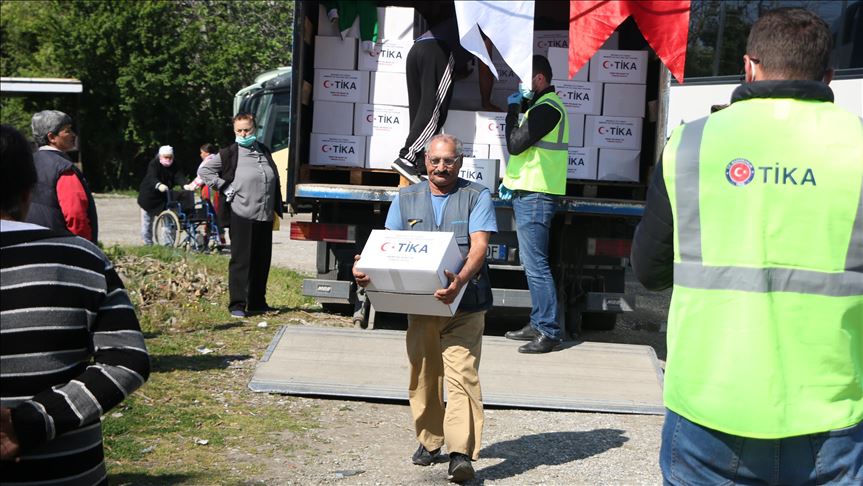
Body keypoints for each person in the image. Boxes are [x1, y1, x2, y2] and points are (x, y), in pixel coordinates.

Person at [631, 8, 863, 483]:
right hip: (831, 411)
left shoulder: (690, 145)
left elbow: (650, 270)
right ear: (830, 76)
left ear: (748, 66)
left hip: (708, 406)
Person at [0, 124, 151, 484]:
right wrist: (31, 422)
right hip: (67, 473)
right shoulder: (83, 260)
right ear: (27, 192)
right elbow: (128, 360)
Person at [353, 134, 496, 483]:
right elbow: (388, 247)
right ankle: (431, 441)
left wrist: (459, 281)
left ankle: (460, 454)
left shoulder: (477, 196)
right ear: (425, 163)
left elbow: (479, 247)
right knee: (425, 375)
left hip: (466, 304)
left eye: (449, 161)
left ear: (459, 162)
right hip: (421, 306)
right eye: (435, 161)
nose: (441, 168)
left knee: (462, 376)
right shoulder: (405, 198)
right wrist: (365, 268)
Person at [499, 55, 569, 354]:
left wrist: (514, 108)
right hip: (528, 191)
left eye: (525, 79)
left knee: (536, 265)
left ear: (539, 79)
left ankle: (549, 330)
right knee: (531, 265)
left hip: (537, 193)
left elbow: (515, 144)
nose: (521, 85)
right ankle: (538, 321)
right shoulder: (542, 107)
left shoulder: (547, 108)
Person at [390, 3, 499, 183]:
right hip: (437, 52)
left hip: (417, 50)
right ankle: (406, 157)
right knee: (435, 110)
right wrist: (486, 101)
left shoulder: (465, 19)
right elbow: (485, 67)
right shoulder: (486, 26)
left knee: (420, 110)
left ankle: (420, 164)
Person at [198, 113, 283, 318]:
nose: (244, 133)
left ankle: (257, 302)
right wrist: (224, 187)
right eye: (240, 130)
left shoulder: (263, 150)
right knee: (241, 260)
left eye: (247, 130)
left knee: (261, 260)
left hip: (264, 214)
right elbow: (205, 171)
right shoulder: (229, 153)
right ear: (235, 131)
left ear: (255, 129)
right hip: (241, 213)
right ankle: (237, 304)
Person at [25, 110, 99, 242]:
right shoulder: (64, 169)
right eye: (67, 131)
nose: (73, 135)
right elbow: (75, 216)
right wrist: (85, 246)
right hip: (59, 246)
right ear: (52, 137)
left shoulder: (27, 162)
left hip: (29, 241)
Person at [137, 145, 186, 245]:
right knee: (147, 223)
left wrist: (185, 185)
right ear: (160, 156)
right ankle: (147, 244)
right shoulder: (154, 164)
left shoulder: (175, 165)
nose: (168, 159)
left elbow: (179, 176)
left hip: (164, 197)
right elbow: (152, 177)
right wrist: (158, 184)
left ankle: (168, 244)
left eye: (170, 157)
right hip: (149, 197)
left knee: (168, 221)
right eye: (165, 157)